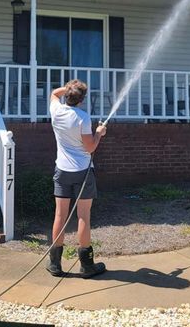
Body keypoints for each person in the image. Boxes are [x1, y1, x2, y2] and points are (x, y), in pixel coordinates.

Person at [46, 79, 107, 278]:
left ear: (68, 95)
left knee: (60, 216)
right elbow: (90, 147)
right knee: (83, 216)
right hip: (83, 171)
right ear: (82, 99)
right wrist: (99, 134)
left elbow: (55, 93)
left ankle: (55, 265)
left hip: (62, 170)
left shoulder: (56, 110)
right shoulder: (83, 118)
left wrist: (70, 89)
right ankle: (86, 266)